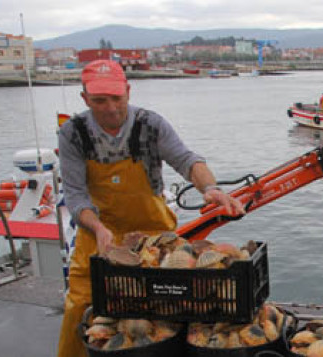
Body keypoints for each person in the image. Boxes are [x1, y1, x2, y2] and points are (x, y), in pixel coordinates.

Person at [56, 59, 244, 357]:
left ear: (128, 92)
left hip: (154, 240)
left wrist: (211, 189)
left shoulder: (151, 124)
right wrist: (99, 228)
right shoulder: (72, 133)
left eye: (116, 98)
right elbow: (77, 196)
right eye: (99, 100)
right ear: (85, 99)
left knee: (166, 310)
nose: (110, 107)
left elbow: (187, 160)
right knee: (80, 305)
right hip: (99, 235)